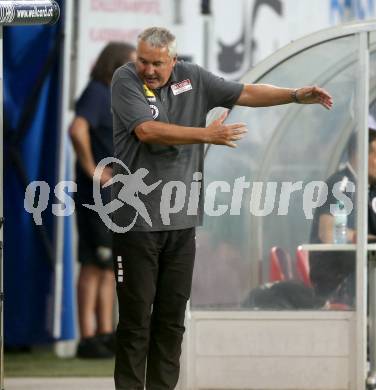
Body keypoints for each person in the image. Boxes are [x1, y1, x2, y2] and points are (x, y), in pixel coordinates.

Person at [110, 26, 332, 389]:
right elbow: (147, 131)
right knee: (136, 321)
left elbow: (245, 92)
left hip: (182, 222)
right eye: (143, 61)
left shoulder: (193, 78)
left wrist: (294, 95)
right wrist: (206, 135)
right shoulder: (125, 79)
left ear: (174, 60)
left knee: (171, 320)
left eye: (156, 63)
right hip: (135, 223)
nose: (147, 69)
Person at [69, 42, 136, 358]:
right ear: (116, 66)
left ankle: (106, 332)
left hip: (114, 195)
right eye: (131, 65)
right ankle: (87, 336)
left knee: (110, 265)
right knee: (94, 262)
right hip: (95, 195)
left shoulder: (114, 95)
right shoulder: (96, 92)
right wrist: (89, 167)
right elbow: (77, 128)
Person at [309, 116, 376, 305]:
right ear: (360, 155)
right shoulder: (341, 185)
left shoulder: (367, 188)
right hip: (337, 281)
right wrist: (365, 238)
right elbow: (329, 234)